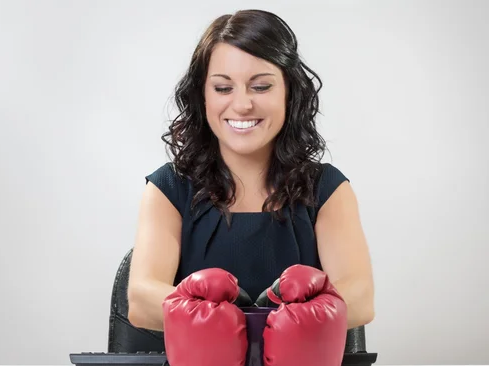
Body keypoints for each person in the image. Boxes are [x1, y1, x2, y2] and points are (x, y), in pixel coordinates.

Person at [127, 9, 374, 335]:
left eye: (260, 87)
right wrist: (215, 317)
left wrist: (287, 319)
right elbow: (142, 300)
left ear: (289, 92)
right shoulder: (168, 188)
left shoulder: (327, 189)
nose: (242, 105)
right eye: (223, 88)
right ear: (202, 96)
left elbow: (360, 299)